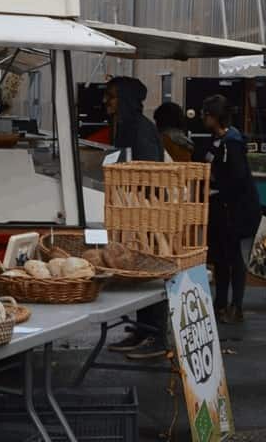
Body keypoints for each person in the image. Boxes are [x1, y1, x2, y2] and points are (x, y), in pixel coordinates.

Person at [99, 76, 170, 360]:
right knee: (140, 272)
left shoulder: (140, 129)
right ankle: (143, 329)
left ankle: (156, 336)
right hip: (134, 212)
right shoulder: (124, 127)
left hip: (149, 214)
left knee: (151, 272)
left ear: (126, 100)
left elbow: (150, 174)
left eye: (112, 96)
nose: (107, 101)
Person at [199, 95, 261, 324]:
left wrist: (216, 181)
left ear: (214, 117)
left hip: (234, 211)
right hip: (221, 209)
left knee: (233, 257)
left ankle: (236, 305)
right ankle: (221, 303)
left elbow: (236, 178)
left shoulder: (232, 143)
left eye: (206, 114)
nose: (203, 118)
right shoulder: (217, 140)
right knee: (221, 257)